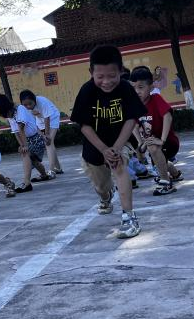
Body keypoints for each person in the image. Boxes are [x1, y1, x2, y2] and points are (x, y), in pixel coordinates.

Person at [70, 45, 146, 239]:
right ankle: (106, 196)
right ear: (91, 72)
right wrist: (104, 149)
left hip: (120, 141)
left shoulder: (126, 89)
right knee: (101, 187)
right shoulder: (87, 91)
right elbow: (84, 125)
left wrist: (117, 147)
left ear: (120, 70)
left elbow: (131, 119)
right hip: (95, 145)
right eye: (100, 77)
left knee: (119, 165)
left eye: (112, 76)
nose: (106, 82)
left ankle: (129, 217)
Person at [129, 66, 182, 195]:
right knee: (159, 163)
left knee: (154, 149)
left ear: (151, 87)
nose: (136, 91)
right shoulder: (136, 105)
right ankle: (175, 174)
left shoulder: (156, 99)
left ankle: (166, 183)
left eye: (140, 87)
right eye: (133, 88)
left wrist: (162, 140)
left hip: (169, 143)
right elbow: (133, 125)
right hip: (153, 143)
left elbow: (167, 116)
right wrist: (140, 142)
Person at [0, 94, 52, 192]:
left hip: (36, 138)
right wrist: (22, 145)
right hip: (27, 139)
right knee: (33, 160)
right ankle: (44, 175)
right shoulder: (10, 116)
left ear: (7, 109)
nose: (4, 116)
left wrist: (25, 146)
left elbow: (21, 128)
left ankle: (27, 183)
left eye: (3, 114)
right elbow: (16, 132)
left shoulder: (20, 109)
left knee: (26, 154)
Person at [19, 90, 64, 175]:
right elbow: (33, 124)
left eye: (30, 103)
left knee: (49, 143)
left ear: (34, 99)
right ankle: (58, 168)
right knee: (49, 142)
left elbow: (47, 118)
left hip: (52, 117)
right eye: (25, 105)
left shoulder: (42, 101)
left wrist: (47, 134)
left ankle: (51, 170)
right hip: (40, 120)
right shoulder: (23, 109)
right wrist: (42, 135)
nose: (28, 106)